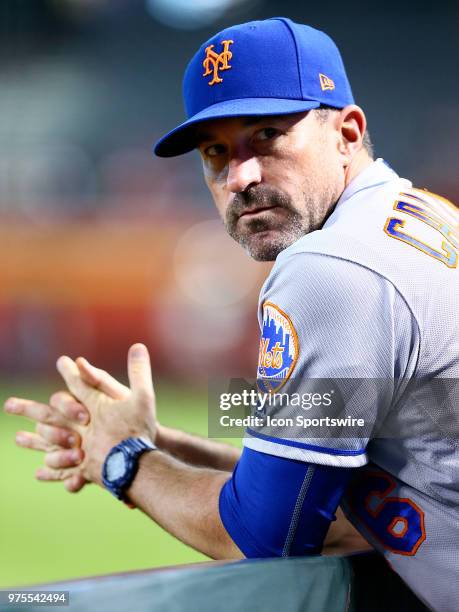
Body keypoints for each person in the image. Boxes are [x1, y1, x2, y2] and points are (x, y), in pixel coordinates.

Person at [4, 17, 459, 611]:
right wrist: (158, 442)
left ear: (347, 132)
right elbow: (323, 485)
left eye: (267, 135)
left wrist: (123, 463)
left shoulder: (331, 266)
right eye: (216, 152)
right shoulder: (425, 214)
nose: (241, 177)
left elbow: (269, 535)